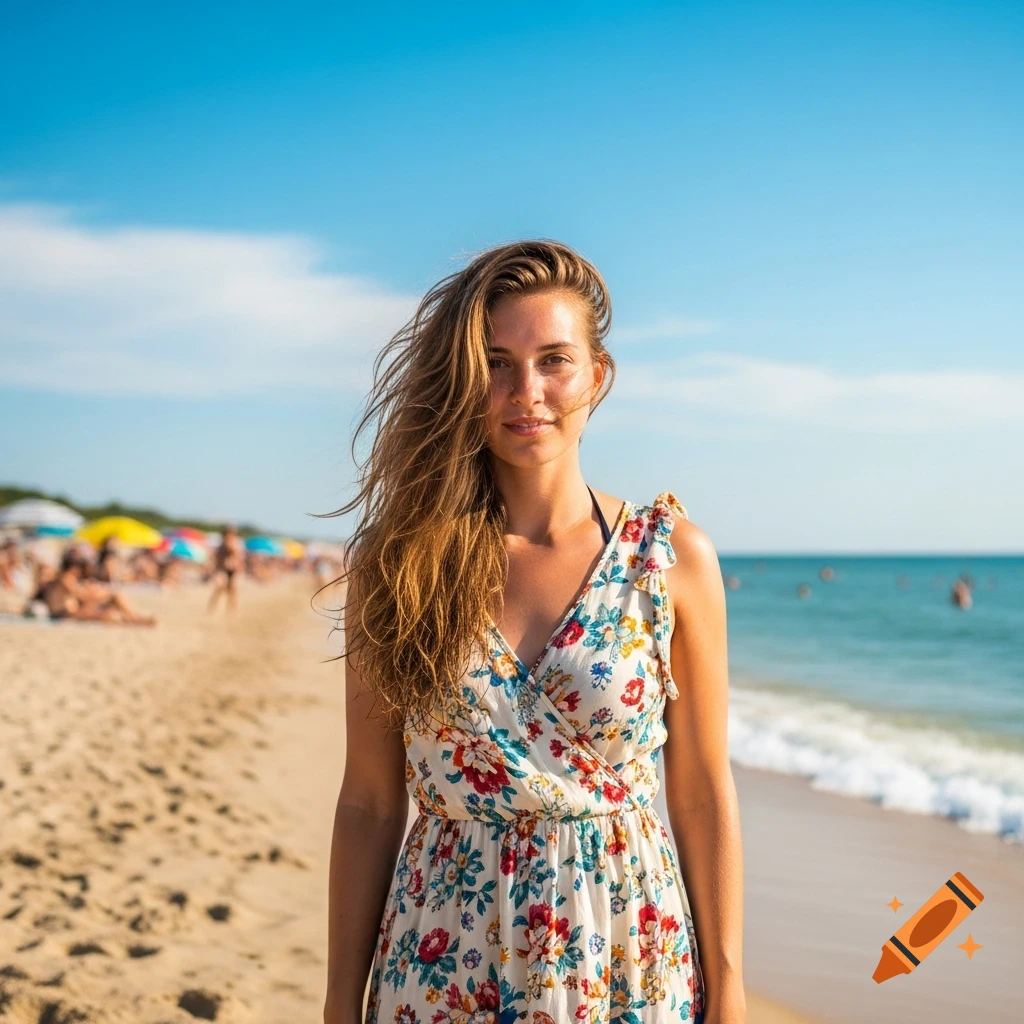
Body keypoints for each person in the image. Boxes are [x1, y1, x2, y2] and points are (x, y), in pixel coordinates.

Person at [323, 242, 744, 1024]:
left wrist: (729, 987)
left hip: (629, 955)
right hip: (445, 958)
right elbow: (371, 804)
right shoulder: (401, 563)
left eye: (554, 359)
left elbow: (700, 790)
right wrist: (338, 1004)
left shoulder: (671, 556)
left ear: (597, 375)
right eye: (497, 362)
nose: (528, 392)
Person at [207, 525, 245, 614]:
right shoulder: (221, 546)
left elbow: (238, 557)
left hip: (234, 570)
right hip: (223, 569)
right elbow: (216, 558)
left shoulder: (236, 545)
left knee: (232, 590)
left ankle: (232, 610)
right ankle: (212, 609)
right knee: (219, 588)